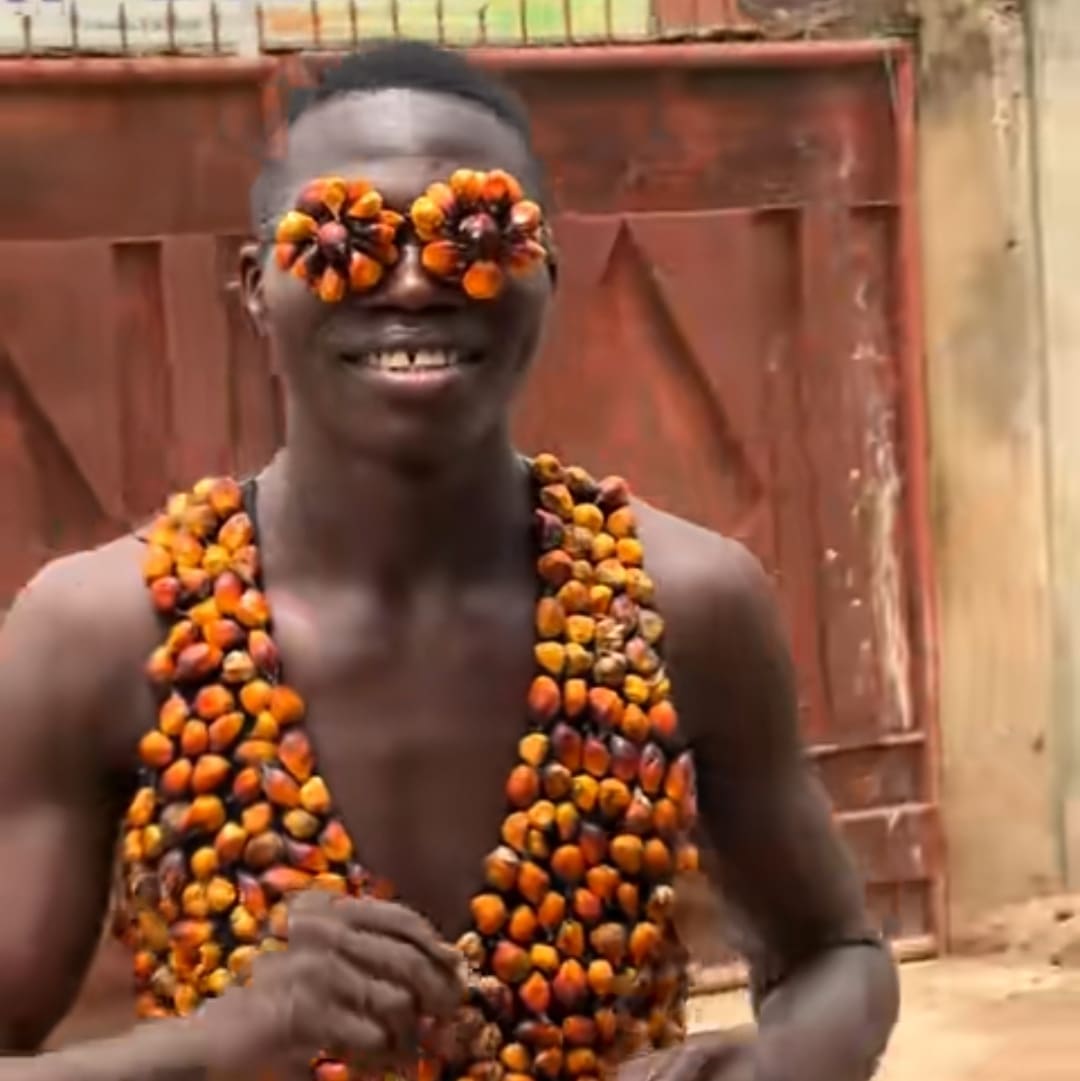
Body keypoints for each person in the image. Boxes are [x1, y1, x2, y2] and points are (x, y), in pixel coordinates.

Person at [0, 40, 898, 1081]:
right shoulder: (107, 633)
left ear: (547, 273)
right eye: (343, 238)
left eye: (480, 231)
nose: (419, 278)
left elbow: (837, 954)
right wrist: (223, 1045)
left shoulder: (683, 605)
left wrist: (778, 1067)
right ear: (255, 289)